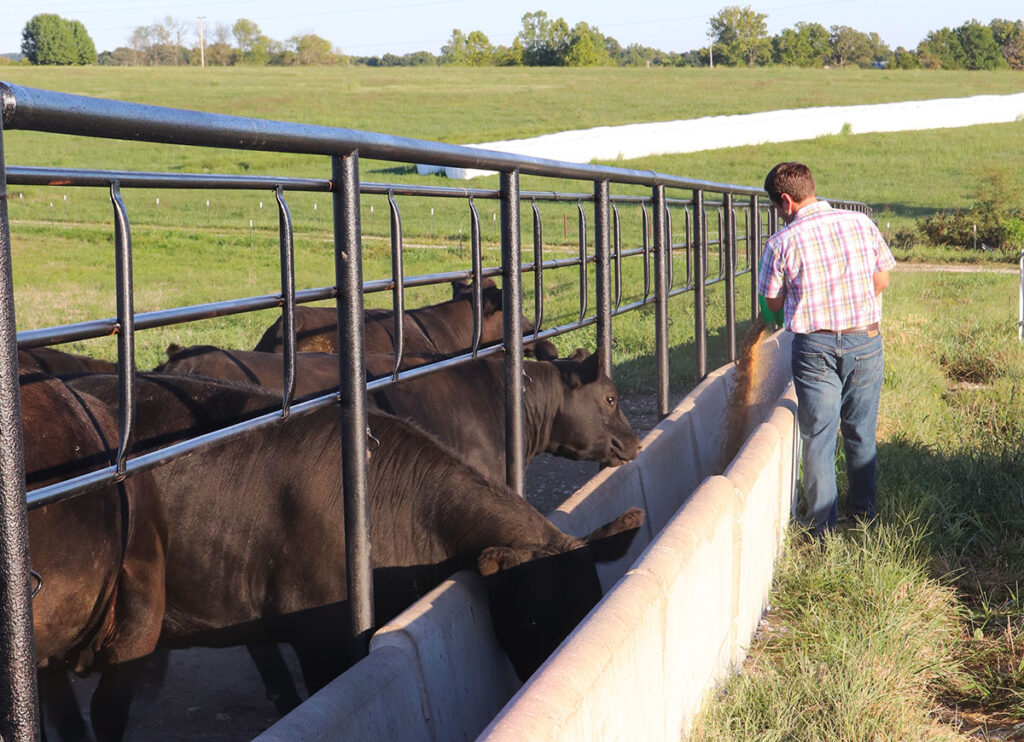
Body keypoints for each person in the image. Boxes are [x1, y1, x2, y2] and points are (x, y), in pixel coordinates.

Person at [756, 162, 896, 537]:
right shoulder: (860, 224)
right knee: (861, 432)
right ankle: (864, 517)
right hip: (864, 339)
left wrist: (778, 314)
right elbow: (881, 278)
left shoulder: (780, 242)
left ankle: (823, 532)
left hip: (814, 345)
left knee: (818, 436)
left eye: (776, 207)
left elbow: (770, 304)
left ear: (785, 200)